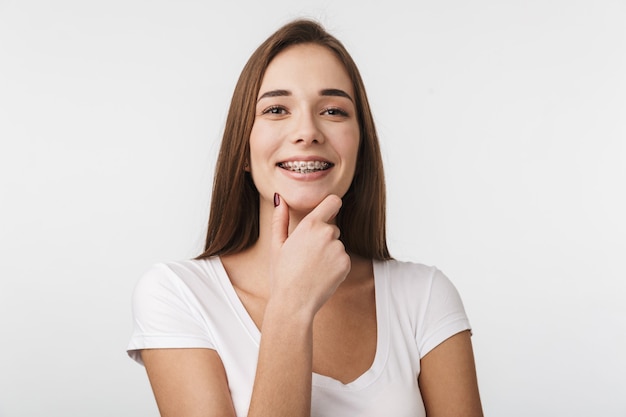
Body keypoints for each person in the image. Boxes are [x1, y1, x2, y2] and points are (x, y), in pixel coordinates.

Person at [127, 18, 484, 417]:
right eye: (277, 109)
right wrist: (291, 306)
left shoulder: (425, 296)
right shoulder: (178, 294)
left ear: (360, 147)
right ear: (243, 151)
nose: (307, 131)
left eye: (333, 110)